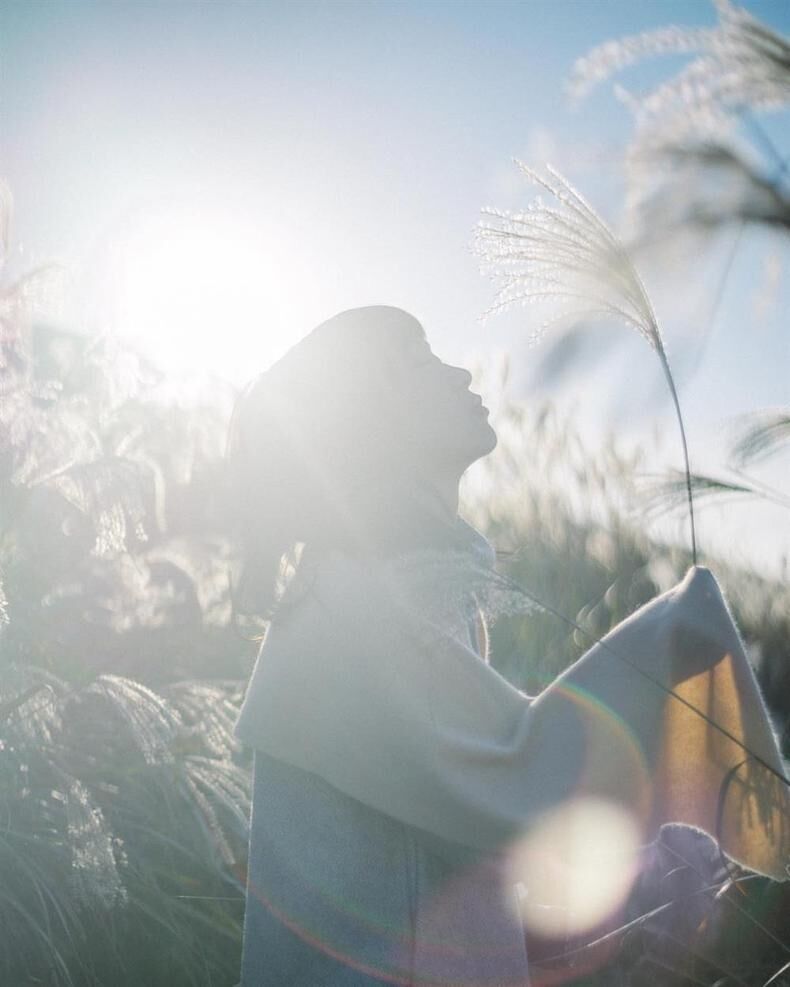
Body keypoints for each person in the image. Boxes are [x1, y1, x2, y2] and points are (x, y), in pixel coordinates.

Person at [224, 306, 788, 987]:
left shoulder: (373, 589)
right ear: (368, 419)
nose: (459, 370)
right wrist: (680, 632)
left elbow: (459, 839)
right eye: (420, 360)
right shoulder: (360, 605)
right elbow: (526, 780)